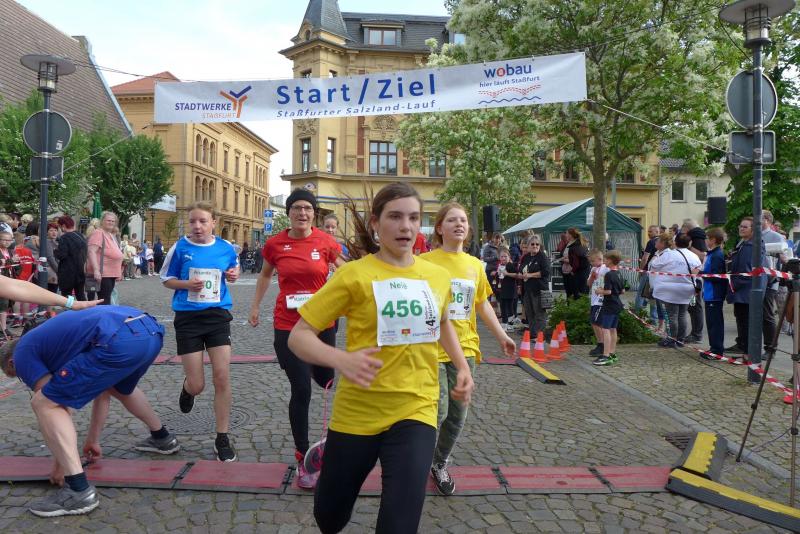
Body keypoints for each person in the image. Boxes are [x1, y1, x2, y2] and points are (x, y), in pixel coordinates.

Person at [287, 182, 474, 534]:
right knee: (329, 517)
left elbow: (443, 321)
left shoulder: (436, 276)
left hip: (416, 407)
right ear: (375, 222)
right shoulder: (353, 274)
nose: (406, 226)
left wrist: (462, 366)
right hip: (358, 412)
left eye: (414, 218)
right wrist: (342, 360)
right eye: (395, 217)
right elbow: (299, 336)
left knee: (400, 524)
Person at [0, 304, 180, 518]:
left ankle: (78, 489)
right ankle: (162, 438)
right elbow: (102, 391)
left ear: (11, 362)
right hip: (149, 330)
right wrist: (93, 440)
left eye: (17, 375)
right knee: (118, 387)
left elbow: (56, 404)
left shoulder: (22, 353)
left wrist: (61, 464)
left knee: (43, 403)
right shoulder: (52, 343)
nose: (25, 378)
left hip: (117, 338)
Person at [248, 189, 343, 488]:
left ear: (314, 213)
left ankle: (313, 369)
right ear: (288, 212)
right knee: (301, 389)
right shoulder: (275, 244)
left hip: (322, 323)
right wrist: (255, 307)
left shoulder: (326, 242)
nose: (302, 213)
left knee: (326, 380)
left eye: (308, 209)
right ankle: (303, 456)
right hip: (288, 325)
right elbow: (265, 275)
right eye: (297, 208)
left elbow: (347, 271)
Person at [421, 202, 515, 496]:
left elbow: (482, 303)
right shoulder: (424, 262)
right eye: (452, 220)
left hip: (466, 348)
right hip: (432, 347)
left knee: (457, 415)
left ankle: (438, 463)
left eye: (463, 220)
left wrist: (501, 336)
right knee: (437, 411)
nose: (459, 224)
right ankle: (416, 461)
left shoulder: (475, 265)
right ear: (440, 228)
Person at [161, 201, 240, 461]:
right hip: (188, 318)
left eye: (203, 221)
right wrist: (186, 284)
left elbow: (233, 267)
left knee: (222, 376)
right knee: (198, 384)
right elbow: (166, 279)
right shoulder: (180, 247)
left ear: (213, 222)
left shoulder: (225, 247)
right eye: (193, 221)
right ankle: (188, 389)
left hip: (217, 316)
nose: (197, 226)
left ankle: (222, 437)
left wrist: (233, 274)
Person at [650, 234, 700, 348]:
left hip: (668, 290)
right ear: (689, 243)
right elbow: (698, 269)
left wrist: (656, 256)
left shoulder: (669, 255)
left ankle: (671, 339)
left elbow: (654, 266)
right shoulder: (694, 256)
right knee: (682, 315)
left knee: (671, 315)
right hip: (687, 289)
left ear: (675, 242)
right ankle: (680, 339)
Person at [593, 250, 625, 365]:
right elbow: (623, 291)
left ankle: (605, 355)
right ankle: (612, 353)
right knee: (613, 329)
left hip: (609, 305)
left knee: (605, 329)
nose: (604, 262)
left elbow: (608, 291)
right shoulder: (619, 273)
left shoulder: (609, 274)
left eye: (605, 259)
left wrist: (599, 291)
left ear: (610, 260)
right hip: (617, 304)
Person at [701, 228, 727, 360]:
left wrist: (700, 273)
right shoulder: (712, 254)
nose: (705, 240)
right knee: (711, 323)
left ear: (713, 240)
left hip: (714, 294)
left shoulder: (717, 255)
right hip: (709, 293)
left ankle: (717, 350)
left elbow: (716, 276)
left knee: (715, 323)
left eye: (707, 238)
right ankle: (714, 348)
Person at [86, 212, 124, 305]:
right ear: (102, 221)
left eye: (113, 221)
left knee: (106, 299)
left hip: (110, 273)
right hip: (103, 273)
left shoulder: (110, 234)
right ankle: (101, 314)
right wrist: (96, 270)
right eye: (108, 220)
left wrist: (119, 272)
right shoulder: (98, 233)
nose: (111, 223)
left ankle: (104, 313)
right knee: (104, 300)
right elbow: (91, 251)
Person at [519, 235, 551, 338]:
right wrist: (521, 274)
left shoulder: (542, 257)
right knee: (530, 313)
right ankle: (533, 334)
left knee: (539, 314)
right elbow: (521, 269)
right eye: (532, 244)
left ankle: (540, 336)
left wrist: (530, 275)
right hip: (527, 289)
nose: (535, 246)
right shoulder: (526, 257)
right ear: (528, 245)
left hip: (539, 289)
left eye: (537, 244)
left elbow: (546, 272)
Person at [682, 219, 707, 343]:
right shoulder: (699, 236)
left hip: (696, 279)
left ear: (686, 228)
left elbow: (703, 255)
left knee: (695, 306)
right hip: (695, 277)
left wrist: (689, 247)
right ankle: (695, 333)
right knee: (693, 306)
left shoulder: (697, 237)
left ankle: (697, 335)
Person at [54, 216, 87, 302]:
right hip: (80, 269)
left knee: (67, 296)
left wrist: (55, 251)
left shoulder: (64, 237)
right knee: (80, 294)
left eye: (59, 227)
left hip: (67, 272)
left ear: (63, 226)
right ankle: (85, 309)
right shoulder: (80, 235)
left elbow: (62, 255)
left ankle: (69, 309)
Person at [586, 249, 610, 356]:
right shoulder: (593, 269)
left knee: (596, 322)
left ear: (600, 259)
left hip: (601, 300)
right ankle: (600, 343)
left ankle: (602, 345)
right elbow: (588, 284)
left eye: (592, 261)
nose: (591, 263)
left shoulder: (605, 268)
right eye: (590, 261)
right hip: (594, 299)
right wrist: (592, 276)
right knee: (593, 322)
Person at [635, 225, 660, 313]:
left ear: (657, 232)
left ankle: (638, 313)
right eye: (648, 231)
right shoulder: (663, 243)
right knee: (653, 294)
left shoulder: (651, 242)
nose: (648, 233)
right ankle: (654, 317)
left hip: (647, 271)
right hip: (658, 273)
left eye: (650, 231)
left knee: (641, 293)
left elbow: (645, 258)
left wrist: (641, 270)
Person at [561, 228, 590, 299]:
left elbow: (576, 262)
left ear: (571, 235)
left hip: (578, 274)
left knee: (578, 295)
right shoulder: (576, 243)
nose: (565, 235)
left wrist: (573, 271)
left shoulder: (575, 246)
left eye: (566, 233)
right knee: (575, 294)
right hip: (576, 273)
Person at [493, 247, 517, 330]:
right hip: (502, 290)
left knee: (510, 307)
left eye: (505, 256)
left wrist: (507, 274)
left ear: (509, 257)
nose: (503, 258)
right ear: (499, 258)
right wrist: (496, 273)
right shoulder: (500, 265)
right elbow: (499, 276)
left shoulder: (510, 265)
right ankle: (504, 323)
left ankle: (511, 324)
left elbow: (517, 274)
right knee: (503, 306)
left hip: (510, 290)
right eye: (502, 256)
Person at [45, 223, 60, 293]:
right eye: (51, 230)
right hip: (51, 271)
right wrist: (59, 270)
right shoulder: (47, 242)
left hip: (53, 271)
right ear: (47, 232)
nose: (54, 232)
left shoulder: (56, 242)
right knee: (52, 291)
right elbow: (50, 258)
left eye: (55, 230)